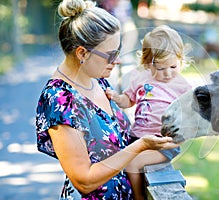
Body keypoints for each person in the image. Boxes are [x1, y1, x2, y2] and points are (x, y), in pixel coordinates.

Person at [35, 1, 179, 199]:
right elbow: (84, 181)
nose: (117, 61)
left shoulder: (98, 81)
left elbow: (118, 139)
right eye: (111, 55)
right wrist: (140, 146)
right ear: (82, 53)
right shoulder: (59, 99)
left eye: (118, 52)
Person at [106, 25, 192, 199]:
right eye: (160, 68)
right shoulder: (140, 78)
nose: (167, 73)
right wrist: (116, 98)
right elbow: (128, 100)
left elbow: (190, 118)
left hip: (164, 143)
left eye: (173, 66)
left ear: (180, 60)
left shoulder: (183, 87)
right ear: (147, 64)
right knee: (116, 159)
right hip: (137, 138)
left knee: (132, 164)